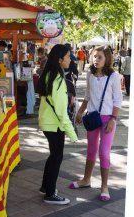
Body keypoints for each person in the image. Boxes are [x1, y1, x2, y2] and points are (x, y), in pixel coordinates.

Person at [69, 46, 122, 201]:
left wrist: (113, 119)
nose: (96, 59)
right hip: (92, 117)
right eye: (94, 56)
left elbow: (118, 100)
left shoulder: (114, 76)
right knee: (91, 150)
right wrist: (80, 112)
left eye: (99, 57)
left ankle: (104, 186)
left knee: (104, 153)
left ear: (106, 59)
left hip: (108, 119)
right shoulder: (90, 75)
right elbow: (87, 96)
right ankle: (86, 179)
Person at [37, 44, 78, 205]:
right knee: (56, 157)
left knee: (54, 156)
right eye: (68, 56)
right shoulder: (58, 79)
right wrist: (73, 134)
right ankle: (50, 193)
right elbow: (61, 111)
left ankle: (46, 187)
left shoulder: (50, 75)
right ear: (60, 60)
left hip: (48, 123)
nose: (70, 59)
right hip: (54, 125)